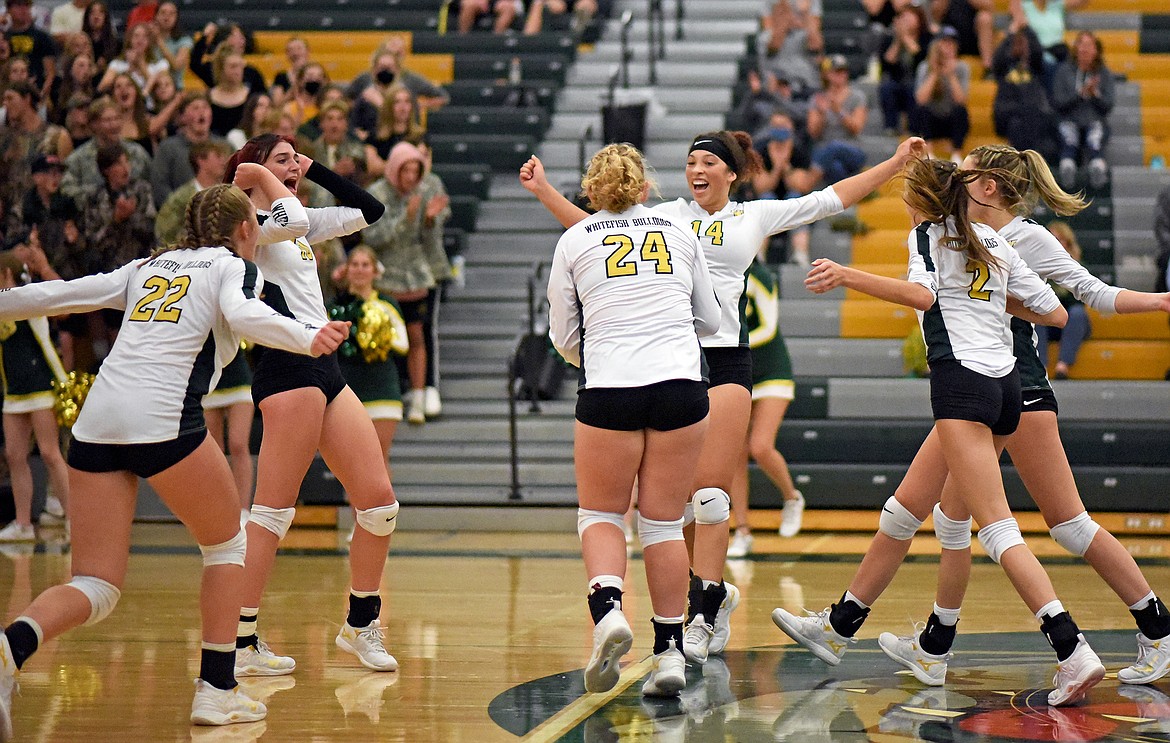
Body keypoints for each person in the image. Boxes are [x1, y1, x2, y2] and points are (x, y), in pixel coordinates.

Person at [774, 146, 1170, 702]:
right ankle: (879, 634)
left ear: (986, 186)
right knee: (925, 513)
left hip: (1006, 387)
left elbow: (1086, 297)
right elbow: (1045, 310)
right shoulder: (979, 236)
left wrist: (1159, 303)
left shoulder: (1013, 237)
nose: (953, 183)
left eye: (963, 175)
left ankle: (1106, 638)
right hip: (1000, 383)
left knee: (1044, 526)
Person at [521, 131, 928, 664]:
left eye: (709, 160)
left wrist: (895, 163)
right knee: (675, 509)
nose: (697, 168)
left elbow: (833, 198)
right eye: (690, 160)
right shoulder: (667, 215)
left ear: (731, 173)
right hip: (671, 355)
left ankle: (702, 613)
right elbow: (600, 231)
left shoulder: (753, 216)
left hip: (726, 355)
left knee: (710, 495)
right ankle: (704, 595)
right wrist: (546, 192)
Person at [0, 178, 351, 737]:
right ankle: (216, 691)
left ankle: (8, 648)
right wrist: (307, 335)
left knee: (96, 583)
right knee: (228, 543)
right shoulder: (232, 266)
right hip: (161, 416)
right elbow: (243, 315)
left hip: (96, 422)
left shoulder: (146, 267)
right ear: (245, 228)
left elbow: (58, 293)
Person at [223, 134, 401, 677]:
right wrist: (255, 179)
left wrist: (315, 167)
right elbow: (294, 220)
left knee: (379, 505)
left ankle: (360, 623)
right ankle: (240, 638)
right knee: (273, 513)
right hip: (285, 366)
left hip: (325, 366)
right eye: (283, 160)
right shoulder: (253, 225)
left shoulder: (295, 215)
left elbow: (370, 210)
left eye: (295, 160)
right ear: (255, 173)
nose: (293, 167)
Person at [546, 142, 720, 698]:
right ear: (644, 185)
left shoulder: (574, 240)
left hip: (611, 386)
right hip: (680, 384)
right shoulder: (678, 230)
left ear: (590, 190)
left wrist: (592, 356)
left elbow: (562, 334)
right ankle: (669, 653)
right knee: (664, 523)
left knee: (600, 513)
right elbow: (710, 319)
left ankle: (608, 611)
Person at [362, 141, 446, 425]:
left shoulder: (425, 191)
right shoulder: (377, 194)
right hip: (386, 276)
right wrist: (404, 218)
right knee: (386, 338)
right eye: (405, 170)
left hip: (416, 274)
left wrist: (430, 220)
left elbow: (427, 238)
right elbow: (372, 237)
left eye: (415, 171)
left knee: (417, 336)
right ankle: (388, 394)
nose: (410, 177)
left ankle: (419, 397)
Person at [728, 257, 803, 559]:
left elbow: (769, 327)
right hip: (736, 372)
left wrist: (731, 343)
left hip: (772, 369)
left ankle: (792, 497)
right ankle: (742, 530)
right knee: (733, 454)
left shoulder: (760, 275)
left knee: (760, 446)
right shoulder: (716, 272)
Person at [0, 247, 70, 544]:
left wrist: (42, 266)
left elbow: (62, 310)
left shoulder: (26, 298)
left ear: (6, 275)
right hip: (14, 391)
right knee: (15, 455)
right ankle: (23, 523)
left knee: (50, 453)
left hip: (41, 385)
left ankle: (74, 521)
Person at [327, 245, 409, 476]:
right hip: (346, 392)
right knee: (353, 464)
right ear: (346, 269)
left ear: (375, 271)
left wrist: (376, 338)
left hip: (382, 389)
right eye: (355, 264)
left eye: (365, 265)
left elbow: (403, 344)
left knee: (378, 459)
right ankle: (358, 514)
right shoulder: (333, 307)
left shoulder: (387, 305)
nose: (360, 270)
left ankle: (384, 514)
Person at [1053, 31, 1114, 190]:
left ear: (1096, 51)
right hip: (1069, 119)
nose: (1084, 50)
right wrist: (1080, 94)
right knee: (1069, 136)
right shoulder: (1064, 71)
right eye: (1081, 44)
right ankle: (1067, 166)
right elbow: (1059, 102)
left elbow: (1108, 105)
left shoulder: (1104, 73)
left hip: (1094, 119)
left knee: (1095, 136)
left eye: (1089, 46)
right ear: (1076, 48)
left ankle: (1097, 166)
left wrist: (1095, 94)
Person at [1033, 220, 1090, 379]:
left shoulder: (1078, 267)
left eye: (1058, 239)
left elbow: (1077, 301)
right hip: (1048, 322)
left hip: (1071, 322)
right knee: (1035, 314)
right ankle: (1041, 367)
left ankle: (1062, 366)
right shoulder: (1036, 267)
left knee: (1078, 313)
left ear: (1067, 243)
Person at [992, 25, 1056, 160]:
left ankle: (1033, 163)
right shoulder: (1004, 70)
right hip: (1010, 116)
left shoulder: (1038, 70)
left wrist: (1028, 39)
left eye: (1024, 43)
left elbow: (1039, 53)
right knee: (1017, 125)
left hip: (1034, 119)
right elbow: (996, 61)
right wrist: (1010, 39)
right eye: (1017, 43)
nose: (1021, 47)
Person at [150, 90, 218, 205]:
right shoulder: (168, 148)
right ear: (183, 117)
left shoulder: (223, 147)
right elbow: (160, 186)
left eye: (205, 107)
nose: (201, 112)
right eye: (195, 108)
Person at [913, 28, 970, 162]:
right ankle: (929, 152)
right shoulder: (925, 67)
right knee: (921, 111)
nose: (949, 47)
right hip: (932, 120)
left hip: (950, 120)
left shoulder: (962, 67)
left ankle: (957, 154)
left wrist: (951, 76)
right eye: (945, 42)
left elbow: (961, 101)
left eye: (952, 43)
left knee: (961, 112)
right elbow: (920, 100)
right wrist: (934, 73)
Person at [877, 3, 930, 135]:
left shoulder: (926, 38)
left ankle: (913, 129)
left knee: (912, 88)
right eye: (902, 17)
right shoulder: (890, 39)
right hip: (897, 80)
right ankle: (890, 127)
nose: (905, 20)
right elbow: (887, 63)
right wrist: (898, 40)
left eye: (909, 17)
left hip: (919, 81)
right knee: (886, 87)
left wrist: (906, 38)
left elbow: (921, 58)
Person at [4, 0, 56, 99]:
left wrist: (42, 94)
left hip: (35, 91)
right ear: (8, 9)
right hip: (7, 90)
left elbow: (50, 72)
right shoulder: (4, 37)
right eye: (19, 5)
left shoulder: (42, 37)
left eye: (27, 5)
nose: (23, 9)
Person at [80, 0, 118, 71]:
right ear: (87, 17)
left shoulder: (114, 42)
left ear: (106, 17)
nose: (96, 16)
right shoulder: (81, 41)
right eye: (92, 12)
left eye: (100, 12)